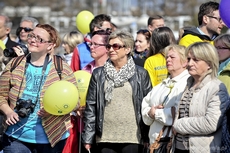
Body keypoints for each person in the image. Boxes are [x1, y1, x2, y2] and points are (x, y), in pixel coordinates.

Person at [0, 24, 79, 153]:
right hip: (15, 136)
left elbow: (75, 102)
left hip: (52, 139)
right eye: (32, 36)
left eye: (39, 39)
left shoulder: (61, 68)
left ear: (50, 45)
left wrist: (53, 110)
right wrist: (8, 112)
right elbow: (1, 95)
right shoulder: (14, 64)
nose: (33, 40)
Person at [82, 30, 152, 153]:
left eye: (116, 46)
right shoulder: (98, 74)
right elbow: (91, 107)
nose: (111, 50)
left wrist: (146, 136)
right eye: (109, 46)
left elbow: (147, 105)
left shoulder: (141, 74)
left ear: (127, 49)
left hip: (133, 137)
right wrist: (88, 137)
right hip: (105, 137)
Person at [172, 42, 229, 153]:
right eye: (188, 59)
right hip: (179, 147)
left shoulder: (216, 88)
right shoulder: (188, 85)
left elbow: (211, 123)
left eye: (196, 60)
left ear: (209, 63)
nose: (190, 63)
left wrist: (178, 125)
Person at [142, 44, 190, 145]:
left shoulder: (188, 83)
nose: (168, 60)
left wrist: (156, 113)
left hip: (174, 144)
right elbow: (145, 105)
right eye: (167, 57)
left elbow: (180, 112)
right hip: (155, 144)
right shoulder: (161, 85)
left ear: (185, 62)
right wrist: (150, 112)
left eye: (172, 57)